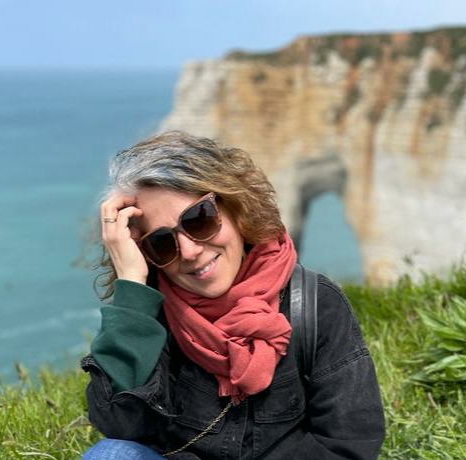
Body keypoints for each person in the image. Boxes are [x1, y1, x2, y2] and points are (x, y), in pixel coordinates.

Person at [81, 131, 385, 460]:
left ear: (236, 208)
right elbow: (120, 424)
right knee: (112, 454)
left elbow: (348, 444)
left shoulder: (314, 304)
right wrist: (131, 286)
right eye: (161, 242)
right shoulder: (151, 316)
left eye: (199, 219)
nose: (190, 251)